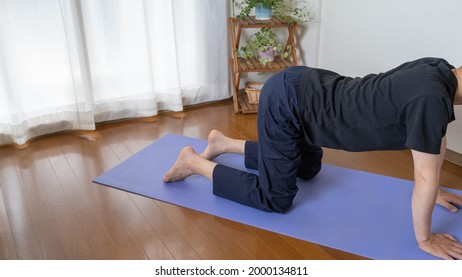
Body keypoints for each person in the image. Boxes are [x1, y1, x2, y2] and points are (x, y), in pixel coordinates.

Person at [163, 57, 462, 260]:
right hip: (289, 103)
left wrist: (433, 190)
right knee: (276, 198)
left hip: (309, 91)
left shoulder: (439, 71)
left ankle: (223, 143)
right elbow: (424, 174)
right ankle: (194, 162)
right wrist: (425, 240)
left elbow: (435, 138)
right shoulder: (432, 99)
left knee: (308, 168)